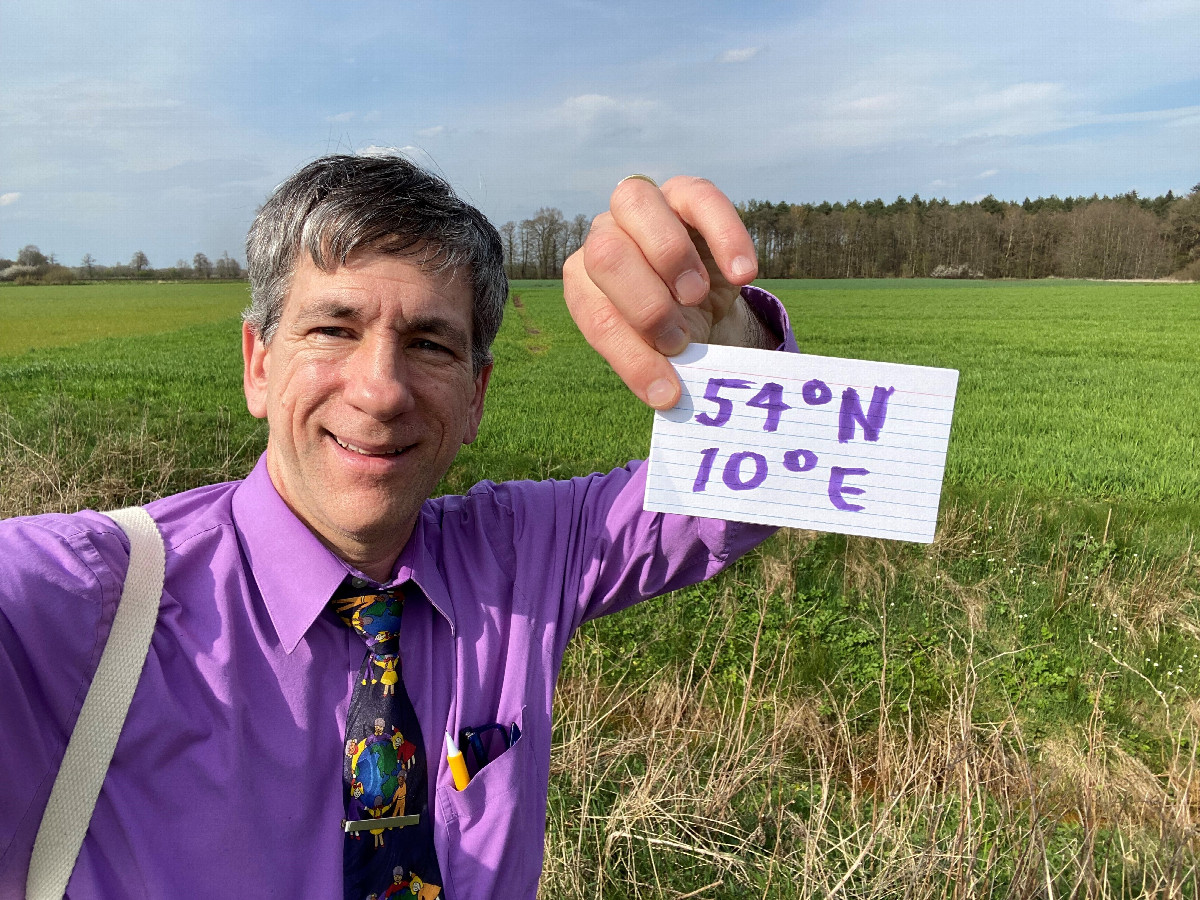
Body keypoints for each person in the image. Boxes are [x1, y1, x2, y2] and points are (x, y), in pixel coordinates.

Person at [0, 154, 797, 898]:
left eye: (428, 344)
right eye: (333, 330)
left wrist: (733, 349)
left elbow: (750, 494)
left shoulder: (522, 557)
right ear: (259, 365)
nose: (381, 391)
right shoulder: (85, 603)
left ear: (477, 396)